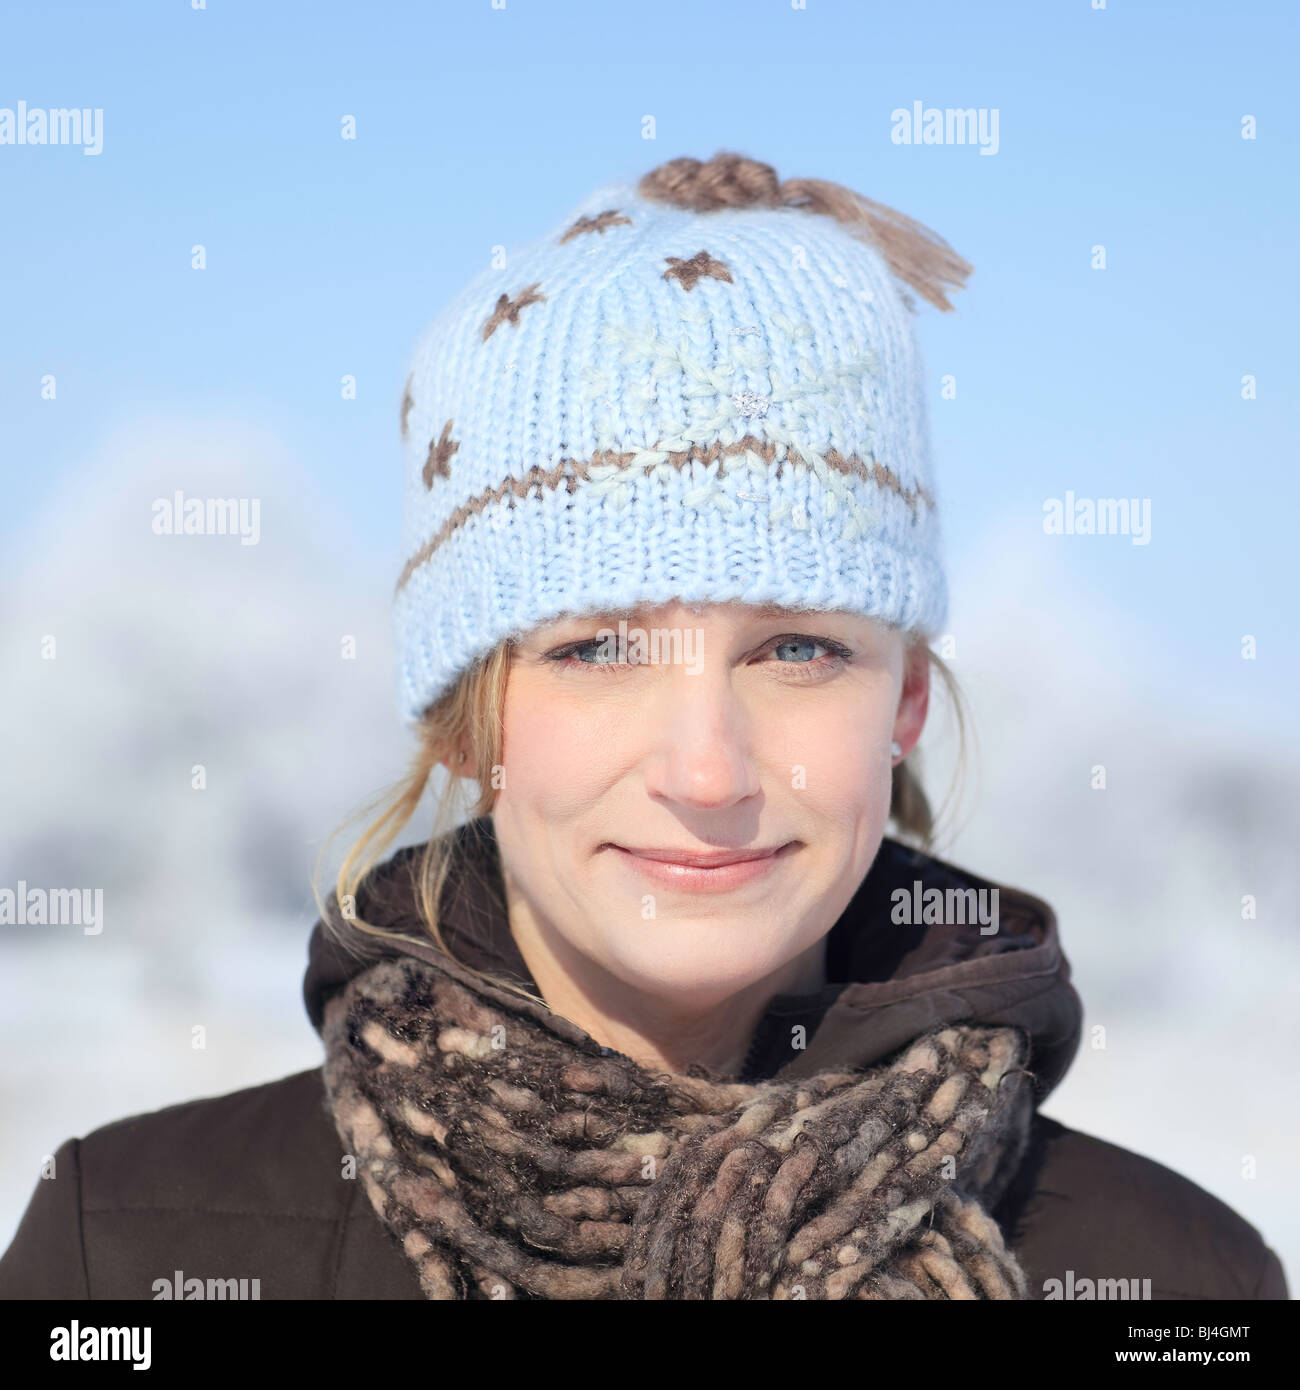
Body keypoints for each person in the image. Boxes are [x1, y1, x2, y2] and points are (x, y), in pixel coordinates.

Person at [0, 152, 1287, 1301]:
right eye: (599, 649)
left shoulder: (1180, 1281)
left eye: (797, 650)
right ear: (467, 719)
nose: (705, 768)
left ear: (899, 699)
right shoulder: (119, 1253)